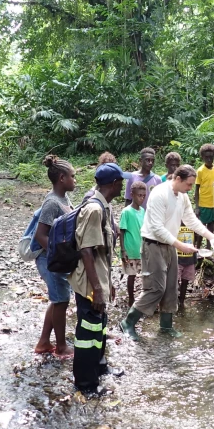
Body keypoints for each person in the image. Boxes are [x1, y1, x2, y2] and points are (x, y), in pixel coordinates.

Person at [120, 165, 214, 340]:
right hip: (152, 244)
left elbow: (191, 220)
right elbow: (157, 228)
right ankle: (128, 322)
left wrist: (211, 237)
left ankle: (166, 326)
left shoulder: (182, 196)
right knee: (156, 288)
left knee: (171, 287)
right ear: (178, 179)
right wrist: (181, 246)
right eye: (188, 185)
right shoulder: (160, 193)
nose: (190, 189)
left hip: (170, 245)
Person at [70, 162, 130, 395]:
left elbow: (102, 253)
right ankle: (86, 384)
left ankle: (99, 367)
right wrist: (97, 288)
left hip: (99, 279)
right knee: (88, 333)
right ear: (113, 184)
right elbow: (86, 250)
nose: (122, 186)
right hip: (89, 283)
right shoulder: (94, 209)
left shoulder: (105, 207)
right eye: (120, 182)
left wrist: (108, 283)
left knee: (99, 327)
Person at [33, 155, 76, 358]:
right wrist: (58, 255)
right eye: (72, 177)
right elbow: (40, 235)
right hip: (49, 259)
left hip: (57, 258)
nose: (75, 180)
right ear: (61, 178)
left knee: (57, 299)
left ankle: (43, 342)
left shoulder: (64, 198)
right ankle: (61, 347)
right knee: (61, 301)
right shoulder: (51, 202)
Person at [119, 181, 147, 307]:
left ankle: (143, 298)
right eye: (139, 195)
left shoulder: (143, 211)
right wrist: (123, 250)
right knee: (131, 275)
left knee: (144, 275)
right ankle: (131, 299)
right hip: (130, 250)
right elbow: (122, 231)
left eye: (143, 195)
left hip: (141, 249)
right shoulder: (126, 212)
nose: (141, 198)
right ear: (132, 195)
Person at [194, 143, 214, 249]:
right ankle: (197, 248)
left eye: (211, 157)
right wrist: (197, 207)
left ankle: (209, 249)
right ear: (202, 157)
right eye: (206, 157)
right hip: (203, 204)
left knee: (211, 227)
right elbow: (196, 190)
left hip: (213, 204)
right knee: (201, 228)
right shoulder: (200, 171)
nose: (209, 159)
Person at [176, 222, 197, 307]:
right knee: (175, 281)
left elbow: (196, 239)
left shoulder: (192, 225)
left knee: (185, 281)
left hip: (189, 259)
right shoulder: (175, 223)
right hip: (177, 258)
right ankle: (175, 299)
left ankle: (181, 302)